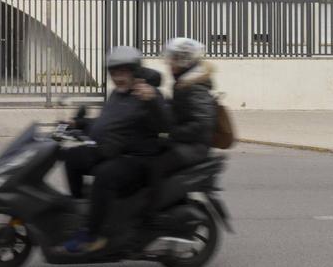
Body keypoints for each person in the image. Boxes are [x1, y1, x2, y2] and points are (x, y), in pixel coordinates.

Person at [61, 46, 169, 254]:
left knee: (104, 175)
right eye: (114, 73)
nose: (118, 77)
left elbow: (165, 125)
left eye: (123, 72)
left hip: (137, 159)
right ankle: (83, 212)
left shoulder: (148, 93)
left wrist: (152, 102)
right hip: (113, 150)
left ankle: (94, 235)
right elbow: (105, 123)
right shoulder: (117, 94)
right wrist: (79, 123)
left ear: (135, 71)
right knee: (72, 157)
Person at [155, 37, 219, 180]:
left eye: (173, 59)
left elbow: (203, 123)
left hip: (195, 147)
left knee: (157, 164)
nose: (169, 63)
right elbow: (176, 111)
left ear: (184, 59)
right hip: (186, 142)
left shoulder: (195, 87)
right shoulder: (183, 82)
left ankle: (156, 194)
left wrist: (172, 134)